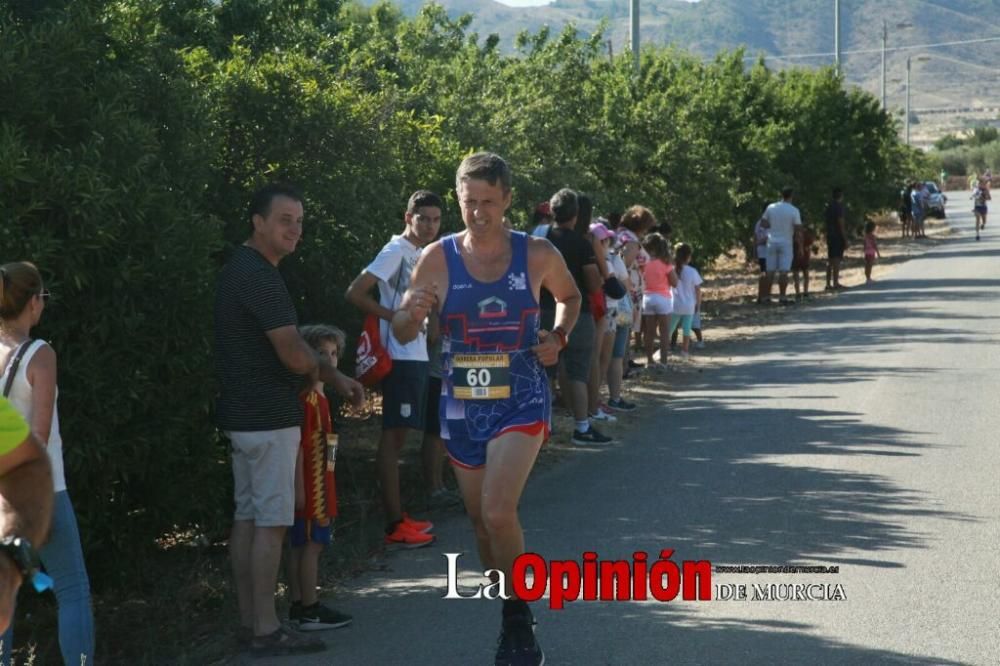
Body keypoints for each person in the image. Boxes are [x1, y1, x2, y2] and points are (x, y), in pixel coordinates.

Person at [392, 152, 581, 666]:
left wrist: (558, 336)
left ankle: (519, 618)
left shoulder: (535, 253)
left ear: (507, 201)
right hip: (462, 399)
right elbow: (403, 330)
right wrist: (409, 313)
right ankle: (508, 604)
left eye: (488, 203)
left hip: (520, 389)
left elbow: (570, 295)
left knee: (500, 511)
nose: (477, 212)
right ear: (458, 198)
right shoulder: (436, 257)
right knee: (480, 523)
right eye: (469, 201)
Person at [215, 182, 364, 657]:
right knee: (272, 522)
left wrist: (326, 374)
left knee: (248, 517)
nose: (295, 229)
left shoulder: (240, 269)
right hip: (269, 417)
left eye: (299, 221)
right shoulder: (259, 274)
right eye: (285, 219)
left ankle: (249, 621)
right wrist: (330, 374)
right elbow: (293, 353)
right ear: (257, 222)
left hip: (243, 414)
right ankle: (265, 627)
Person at [0, 262, 93, 666]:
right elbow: (38, 434)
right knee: (72, 590)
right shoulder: (40, 354)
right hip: (42, 491)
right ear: (34, 302)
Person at [345, 191, 443, 549]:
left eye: (435, 219)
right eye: (423, 218)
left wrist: (430, 323)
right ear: (408, 217)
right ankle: (394, 524)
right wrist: (395, 317)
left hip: (415, 355)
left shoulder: (422, 253)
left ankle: (401, 517)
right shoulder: (395, 251)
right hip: (398, 356)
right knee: (394, 437)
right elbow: (355, 293)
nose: (430, 225)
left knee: (402, 436)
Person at [286, 324, 353, 632]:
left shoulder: (322, 400)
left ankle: (300, 604)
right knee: (310, 545)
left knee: (305, 544)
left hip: (323, 485)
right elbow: (299, 448)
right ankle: (308, 608)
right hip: (311, 489)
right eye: (321, 354)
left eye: (333, 353)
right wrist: (299, 489)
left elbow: (329, 447)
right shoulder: (307, 401)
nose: (329, 359)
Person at [536, 188, 610, 445]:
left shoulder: (540, 242)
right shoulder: (581, 243)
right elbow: (591, 283)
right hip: (577, 312)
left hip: (543, 311)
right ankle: (581, 426)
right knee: (578, 371)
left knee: (546, 372)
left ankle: (545, 427)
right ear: (576, 215)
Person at [0, 395, 52, 637]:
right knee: (73, 586)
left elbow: (27, 463)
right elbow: (42, 435)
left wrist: (9, 564)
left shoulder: (40, 356)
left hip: (42, 496)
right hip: (51, 492)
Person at [587, 221, 624, 421]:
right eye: (605, 239)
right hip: (606, 311)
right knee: (602, 358)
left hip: (598, 309)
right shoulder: (605, 262)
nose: (608, 242)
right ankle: (596, 400)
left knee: (598, 357)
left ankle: (594, 399)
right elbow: (616, 290)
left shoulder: (592, 259)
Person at [760, 187, 803, 305]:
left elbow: (763, 223)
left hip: (771, 241)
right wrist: (799, 244)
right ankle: (782, 296)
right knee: (784, 271)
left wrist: (773, 226)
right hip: (786, 242)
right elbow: (798, 228)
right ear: (791, 196)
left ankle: (766, 296)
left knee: (770, 271)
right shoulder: (794, 210)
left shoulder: (771, 207)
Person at [640, 233, 678, 370]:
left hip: (647, 298)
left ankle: (649, 360)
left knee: (649, 332)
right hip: (663, 298)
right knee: (664, 331)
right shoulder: (666, 264)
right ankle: (664, 361)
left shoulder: (644, 263)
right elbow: (674, 283)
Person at [668, 244, 702, 361]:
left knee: (669, 328)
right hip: (689, 305)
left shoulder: (671, 270)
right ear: (688, 257)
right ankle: (684, 351)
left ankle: (664, 350)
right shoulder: (692, 271)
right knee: (687, 328)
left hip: (675, 304)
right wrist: (698, 303)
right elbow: (698, 290)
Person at [825, 188, 847, 291]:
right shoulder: (839, 207)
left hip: (829, 234)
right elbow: (841, 223)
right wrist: (845, 238)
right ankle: (836, 283)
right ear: (841, 196)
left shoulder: (829, 206)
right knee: (836, 260)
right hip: (837, 235)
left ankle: (828, 283)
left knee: (830, 260)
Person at [792, 225, 818, 300]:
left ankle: (798, 293)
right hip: (804, 256)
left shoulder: (792, 233)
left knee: (796, 274)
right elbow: (811, 243)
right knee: (805, 274)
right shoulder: (807, 233)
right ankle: (805, 292)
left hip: (795, 255)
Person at [752, 216, 769, 303]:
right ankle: (763, 296)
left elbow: (755, 238)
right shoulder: (763, 223)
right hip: (764, 252)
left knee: (764, 273)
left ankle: (762, 295)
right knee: (765, 273)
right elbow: (767, 238)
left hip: (764, 251)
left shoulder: (759, 222)